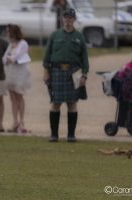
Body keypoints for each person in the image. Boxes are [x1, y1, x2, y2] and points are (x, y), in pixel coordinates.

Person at [43, 8, 89, 142]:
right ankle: (54, 135)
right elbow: (47, 56)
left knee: (72, 103)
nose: (68, 20)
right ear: (62, 19)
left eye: (70, 18)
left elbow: (84, 59)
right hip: (56, 71)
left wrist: (84, 75)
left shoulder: (79, 37)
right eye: (66, 18)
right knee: (55, 103)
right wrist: (46, 71)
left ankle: (71, 135)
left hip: (74, 72)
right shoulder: (55, 35)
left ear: (74, 19)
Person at [3, 24, 32, 133]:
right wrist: (8, 59)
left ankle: (22, 121)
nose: (7, 33)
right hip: (11, 73)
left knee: (19, 96)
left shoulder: (23, 43)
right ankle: (15, 121)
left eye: (8, 31)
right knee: (13, 98)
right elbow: (4, 58)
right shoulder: (10, 44)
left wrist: (9, 58)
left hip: (20, 73)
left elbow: (16, 57)